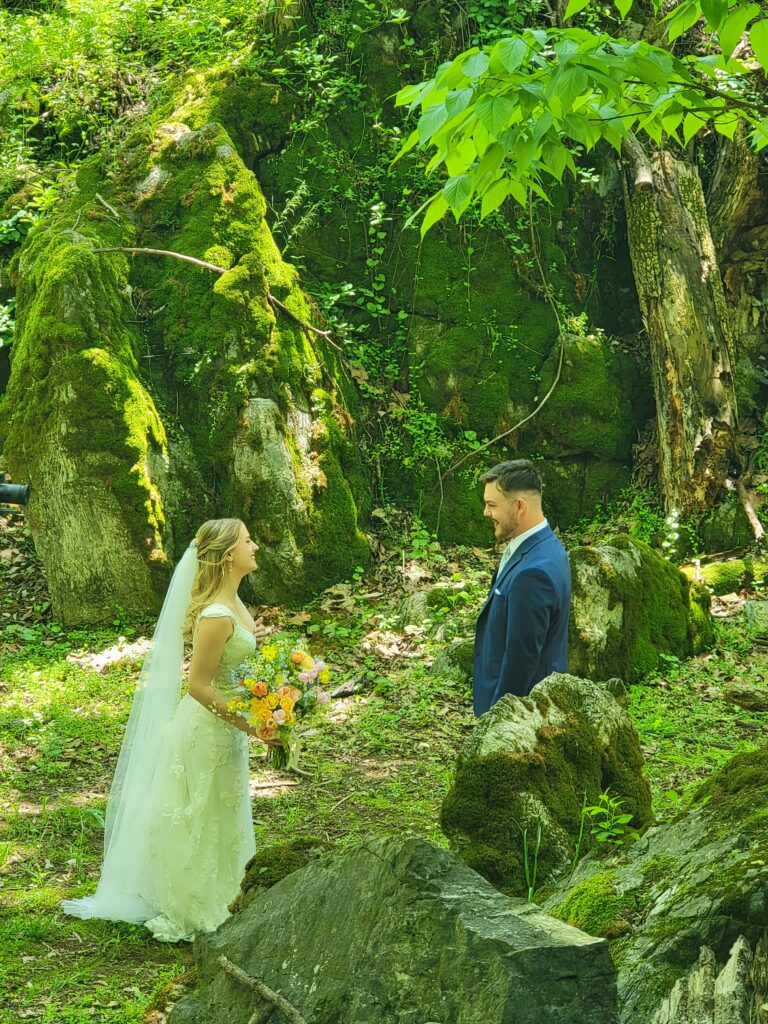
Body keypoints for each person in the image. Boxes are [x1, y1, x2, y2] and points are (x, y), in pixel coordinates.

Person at [62, 518, 276, 942]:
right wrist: (251, 724)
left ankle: (228, 891)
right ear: (228, 555)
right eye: (248, 541)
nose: (255, 547)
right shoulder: (215, 616)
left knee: (222, 809)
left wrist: (268, 704)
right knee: (199, 813)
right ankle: (195, 902)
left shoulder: (236, 603)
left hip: (228, 726)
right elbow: (198, 685)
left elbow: (238, 672)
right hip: (206, 729)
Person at [473, 460, 571, 716]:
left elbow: (521, 661)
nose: (485, 512)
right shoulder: (546, 547)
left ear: (519, 506)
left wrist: (498, 718)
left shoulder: (533, 573)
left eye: (492, 505)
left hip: (521, 713)